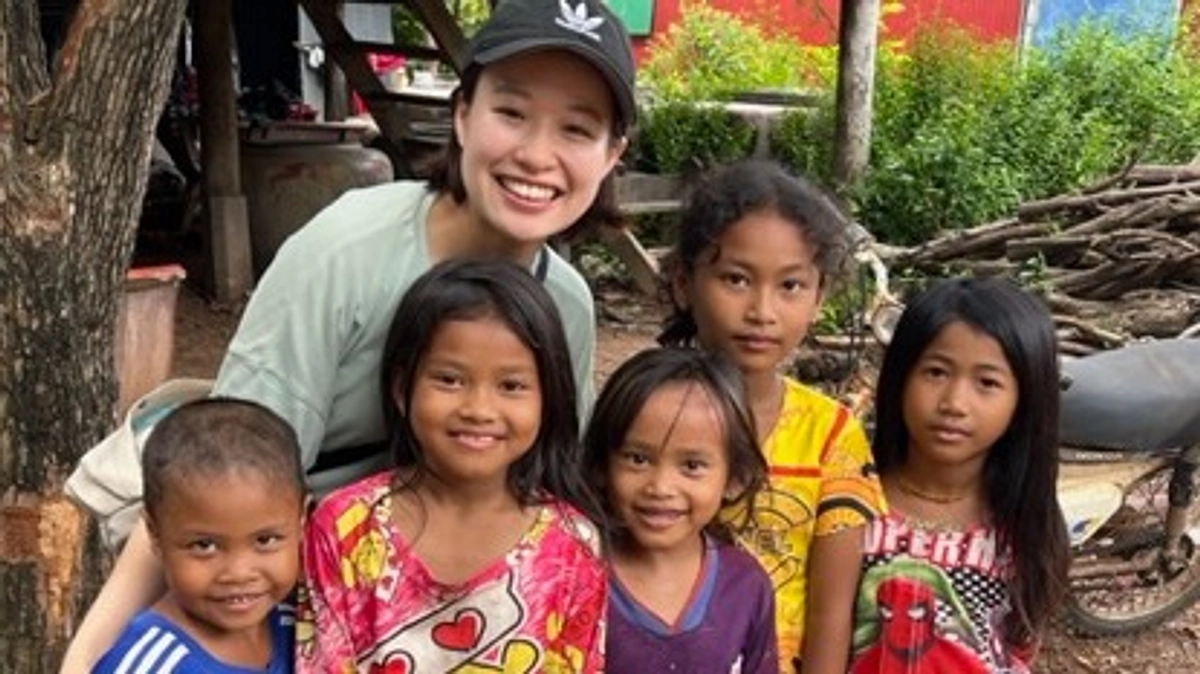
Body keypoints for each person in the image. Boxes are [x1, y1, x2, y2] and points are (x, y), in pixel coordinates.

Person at [61, 0, 635, 670]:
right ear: (461, 115)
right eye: (511, 113)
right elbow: (222, 468)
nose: (537, 155)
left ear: (612, 154)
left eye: (576, 129)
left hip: (441, 591)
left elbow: (551, 483)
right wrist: (84, 657)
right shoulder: (349, 250)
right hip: (284, 564)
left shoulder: (564, 305)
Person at [297, 259, 606, 671]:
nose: (478, 409)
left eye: (511, 386)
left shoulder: (571, 545)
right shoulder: (344, 527)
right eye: (450, 380)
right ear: (402, 389)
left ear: (548, 399)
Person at [658, 159, 887, 673]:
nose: (762, 311)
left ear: (819, 297)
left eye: (790, 286)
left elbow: (831, 614)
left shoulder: (830, 436)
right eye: (736, 279)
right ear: (683, 283)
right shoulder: (646, 414)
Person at [849, 277, 1070, 674]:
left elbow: (1020, 642)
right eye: (936, 372)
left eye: (987, 383)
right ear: (900, 377)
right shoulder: (849, 503)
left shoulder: (1024, 525)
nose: (954, 403)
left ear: (1024, 400)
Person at [582, 347, 779, 674]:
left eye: (692, 465)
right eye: (638, 459)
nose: (660, 487)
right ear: (602, 465)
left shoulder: (745, 586)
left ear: (734, 478)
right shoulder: (574, 577)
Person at [92, 399, 305, 674]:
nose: (239, 573)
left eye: (265, 540)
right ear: (155, 534)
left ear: (301, 522)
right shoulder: (152, 665)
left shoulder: (299, 623)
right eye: (205, 546)